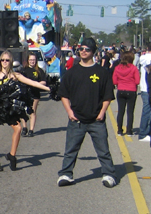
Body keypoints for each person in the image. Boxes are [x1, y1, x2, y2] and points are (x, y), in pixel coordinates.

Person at [56, 37, 118, 188]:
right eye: (81, 49)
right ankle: (66, 174)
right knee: (70, 149)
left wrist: (102, 112)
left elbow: (108, 96)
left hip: (96, 119)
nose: (83, 51)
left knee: (103, 150)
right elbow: (63, 94)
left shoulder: (102, 72)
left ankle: (109, 174)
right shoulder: (72, 73)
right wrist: (69, 112)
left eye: (87, 49)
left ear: (93, 52)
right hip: (76, 119)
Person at [18, 51, 47, 137]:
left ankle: (31, 130)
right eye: (30, 60)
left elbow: (44, 81)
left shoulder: (39, 71)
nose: (32, 61)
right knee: (22, 111)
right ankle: (24, 127)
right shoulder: (23, 70)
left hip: (35, 93)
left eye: (33, 60)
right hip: (24, 93)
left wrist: (36, 84)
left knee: (32, 111)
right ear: (27, 60)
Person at [112, 50, 140, 136]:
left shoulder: (117, 68)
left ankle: (120, 130)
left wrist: (120, 83)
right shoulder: (133, 68)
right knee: (130, 112)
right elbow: (137, 81)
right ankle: (129, 130)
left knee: (121, 111)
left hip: (121, 90)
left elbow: (114, 81)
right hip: (131, 90)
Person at [137, 42, 151, 142]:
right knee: (148, 111)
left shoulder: (142, 58)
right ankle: (143, 133)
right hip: (149, 88)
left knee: (148, 110)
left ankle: (148, 131)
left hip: (144, 88)